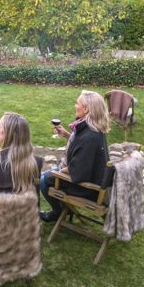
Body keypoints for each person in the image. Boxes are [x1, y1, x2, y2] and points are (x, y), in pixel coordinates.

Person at [39, 90, 110, 223]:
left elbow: (76, 172)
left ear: (86, 109)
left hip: (86, 188)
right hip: (93, 179)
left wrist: (58, 171)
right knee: (46, 175)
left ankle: (58, 212)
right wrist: (67, 135)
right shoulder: (93, 129)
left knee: (44, 180)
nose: (75, 106)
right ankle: (63, 209)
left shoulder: (90, 137)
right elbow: (81, 148)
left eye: (77, 103)